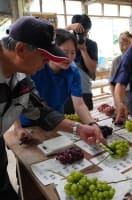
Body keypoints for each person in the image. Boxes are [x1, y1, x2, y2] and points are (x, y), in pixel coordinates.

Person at [0, 16, 105, 199]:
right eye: (43, 57)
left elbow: (40, 110)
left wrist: (78, 128)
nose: (45, 64)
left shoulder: (21, 77)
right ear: (21, 50)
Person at [14, 29, 101, 134]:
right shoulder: (35, 69)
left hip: (57, 123)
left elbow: (79, 104)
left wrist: (92, 124)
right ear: (52, 51)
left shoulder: (73, 73)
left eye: (73, 53)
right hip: (28, 125)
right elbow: (16, 102)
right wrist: (18, 128)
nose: (68, 57)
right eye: (64, 52)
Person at [65, 14, 98, 113]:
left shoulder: (91, 44)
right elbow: (52, 40)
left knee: (86, 122)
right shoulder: (66, 42)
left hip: (84, 90)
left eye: (85, 32)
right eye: (78, 32)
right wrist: (68, 27)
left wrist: (83, 50)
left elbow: (92, 69)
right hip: (66, 90)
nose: (81, 35)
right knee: (68, 119)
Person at [109, 31, 132, 110]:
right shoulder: (116, 61)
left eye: (127, 43)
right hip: (122, 95)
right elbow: (112, 84)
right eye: (121, 44)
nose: (124, 47)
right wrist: (117, 102)